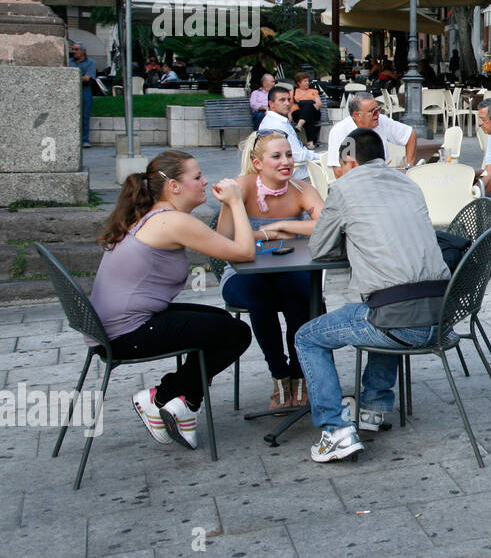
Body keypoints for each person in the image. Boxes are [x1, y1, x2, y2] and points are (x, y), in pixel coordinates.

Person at [295, 128, 454, 463]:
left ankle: (335, 430)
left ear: (348, 160)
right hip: (441, 315)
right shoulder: (409, 182)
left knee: (308, 337)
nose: (337, 171)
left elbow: (320, 248)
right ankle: (373, 407)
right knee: (381, 303)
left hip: (399, 322)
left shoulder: (344, 188)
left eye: (338, 164)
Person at [90, 150, 255, 449]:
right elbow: (244, 252)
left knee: (221, 323)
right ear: (174, 187)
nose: (205, 181)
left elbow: (226, 244)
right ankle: (161, 398)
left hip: (115, 327)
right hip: (125, 334)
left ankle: (185, 403)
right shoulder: (173, 222)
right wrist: (235, 201)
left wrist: (229, 207)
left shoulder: (155, 214)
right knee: (237, 333)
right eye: (197, 177)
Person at [217, 131, 323, 410]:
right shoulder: (240, 187)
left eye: (288, 154)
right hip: (242, 276)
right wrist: (240, 211)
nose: (285, 161)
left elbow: (326, 224)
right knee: (259, 292)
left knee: (301, 294)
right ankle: (279, 373)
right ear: (258, 162)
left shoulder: (300, 189)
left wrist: (278, 227)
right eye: (276, 156)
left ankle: (300, 374)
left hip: (289, 272)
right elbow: (224, 240)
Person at [326, 92, 415, 177]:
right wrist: (374, 173)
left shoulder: (382, 121)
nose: (378, 114)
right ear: (357, 115)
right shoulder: (341, 131)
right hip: (356, 183)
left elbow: (410, 134)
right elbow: (339, 172)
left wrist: (409, 166)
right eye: (373, 111)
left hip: (384, 178)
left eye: (378, 109)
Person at [258, 86, 320, 180]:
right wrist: (319, 156)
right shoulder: (278, 125)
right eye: (282, 100)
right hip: (297, 176)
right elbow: (297, 155)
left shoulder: (270, 120)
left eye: (288, 99)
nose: (287, 103)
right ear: (271, 104)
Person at [69, 42, 96, 148]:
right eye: (73, 49)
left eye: (76, 49)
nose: (74, 52)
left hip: (85, 90)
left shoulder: (90, 62)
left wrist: (73, 77)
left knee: (85, 115)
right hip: (71, 91)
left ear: (83, 51)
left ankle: (85, 139)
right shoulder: (69, 62)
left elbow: (88, 78)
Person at [290, 72, 323, 147]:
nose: (307, 83)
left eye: (308, 81)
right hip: (298, 114)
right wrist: (289, 116)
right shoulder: (293, 92)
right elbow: (290, 105)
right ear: (299, 83)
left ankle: (300, 124)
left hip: (315, 113)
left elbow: (319, 104)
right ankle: (311, 141)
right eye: (305, 81)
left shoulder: (313, 91)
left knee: (308, 105)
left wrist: (312, 104)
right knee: (308, 115)